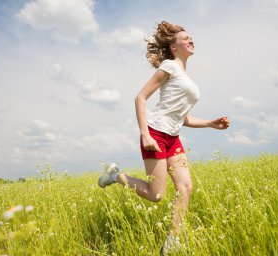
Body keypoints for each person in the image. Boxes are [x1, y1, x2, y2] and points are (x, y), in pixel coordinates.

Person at [98, 21, 230, 254]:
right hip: (156, 133)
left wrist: (211, 123)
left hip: (173, 137)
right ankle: (115, 175)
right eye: (185, 38)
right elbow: (140, 98)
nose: (191, 40)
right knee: (156, 195)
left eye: (191, 37)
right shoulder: (169, 66)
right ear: (173, 46)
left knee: (186, 187)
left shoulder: (185, 75)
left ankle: (172, 242)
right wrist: (145, 133)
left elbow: (182, 117)